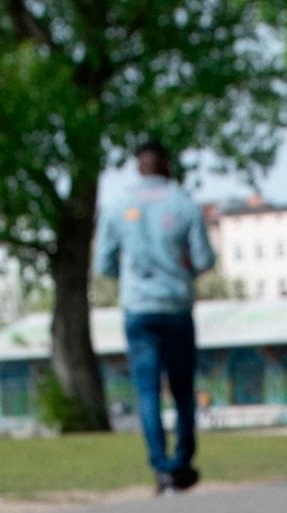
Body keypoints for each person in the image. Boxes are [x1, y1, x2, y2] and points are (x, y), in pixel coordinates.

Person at [92, 139, 214, 494]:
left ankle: (161, 467)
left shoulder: (118, 207)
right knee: (181, 390)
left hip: (138, 307)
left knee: (146, 391)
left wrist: (133, 276)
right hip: (175, 306)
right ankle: (183, 461)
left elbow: (103, 263)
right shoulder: (184, 204)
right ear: (167, 164)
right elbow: (204, 259)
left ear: (138, 165)